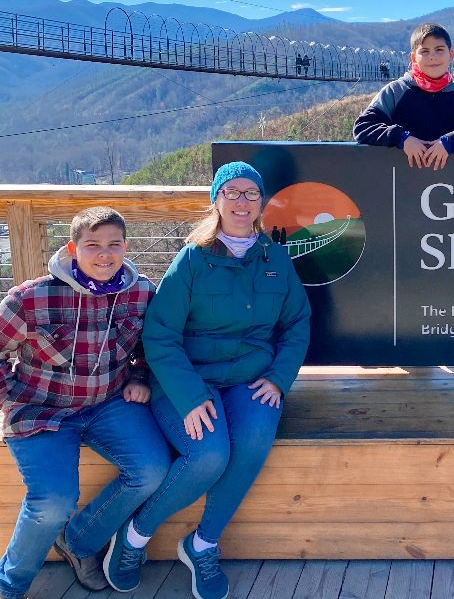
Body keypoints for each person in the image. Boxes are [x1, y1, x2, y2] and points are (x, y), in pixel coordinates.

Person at [108, 162, 311, 599]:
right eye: (231, 192)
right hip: (189, 379)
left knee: (254, 440)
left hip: (252, 379)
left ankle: (202, 544)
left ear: (261, 203)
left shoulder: (276, 257)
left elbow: (297, 324)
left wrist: (278, 378)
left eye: (250, 193)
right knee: (207, 456)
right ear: (216, 200)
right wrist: (188, 396)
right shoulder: (194, 258)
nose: (241, 202)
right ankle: (134, 537)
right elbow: (160, 335)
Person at [0, 207, 169, 598]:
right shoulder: (30, 298)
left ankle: (79, 542)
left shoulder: (141, 292)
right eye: (93, 245)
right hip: (41, 408)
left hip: (108, 403)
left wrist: (140, 377)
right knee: (53, 502)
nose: (104, 254)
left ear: (126, 247)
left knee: (152, 470)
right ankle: (10, 585)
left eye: (114, 244)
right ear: (73, 248)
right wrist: (9, 393)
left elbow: (151, 346)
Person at [353, 23, 454, 170]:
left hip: (451, 185)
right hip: (398, 184)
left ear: (451, 54)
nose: (432, 57)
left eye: (439, 50)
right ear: (414, 58)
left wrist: (451, 141)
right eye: (424, 51)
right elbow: (363, 127)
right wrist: (402, 138)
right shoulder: (395, 92)